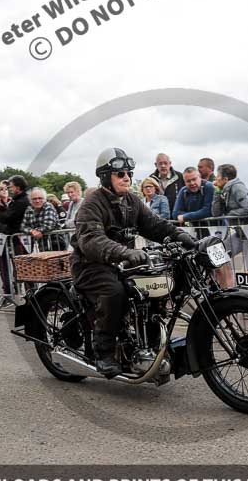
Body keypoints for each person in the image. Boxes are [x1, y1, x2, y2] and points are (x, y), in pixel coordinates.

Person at [71, 147, 196, 376]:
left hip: (122, 263)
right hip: (90, 265)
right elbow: (91, 240)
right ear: (105, 177)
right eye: (120, 174)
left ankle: (149, 343)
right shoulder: (92, 203)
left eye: (129, 172)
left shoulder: (132, 201)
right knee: (115, 292)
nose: (127, 177)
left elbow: (155, 225)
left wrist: (181, 237)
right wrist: (124, 252)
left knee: (153, 288)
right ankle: (104, 353)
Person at [212, 163, 248, 288]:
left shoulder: (237, 187)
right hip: (240, 233)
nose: (216, 179)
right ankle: (228, 291)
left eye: (218, 176)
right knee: (219, 254)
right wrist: (217, 192)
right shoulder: (224, 189)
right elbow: (215, 213)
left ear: (226, 179)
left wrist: (230, 215)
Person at [172, 167, 215, 235]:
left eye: (194, 179)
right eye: (188, 181)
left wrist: (185, 217)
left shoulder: (209, 187)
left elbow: (208, 211)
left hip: (212, 230)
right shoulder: (183, 191)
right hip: (193, 232)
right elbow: (175, 213)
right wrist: (197, 214)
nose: (192, 183)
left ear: (199, 177)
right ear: (184, 182)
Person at [148, 153, 185, 219]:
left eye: (165, 163)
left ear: (170, 163)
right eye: (160, 163)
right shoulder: (151, 179)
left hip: (177, 217)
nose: (163, 166)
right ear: (156, 165)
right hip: (158, 218)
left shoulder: (180, 176)